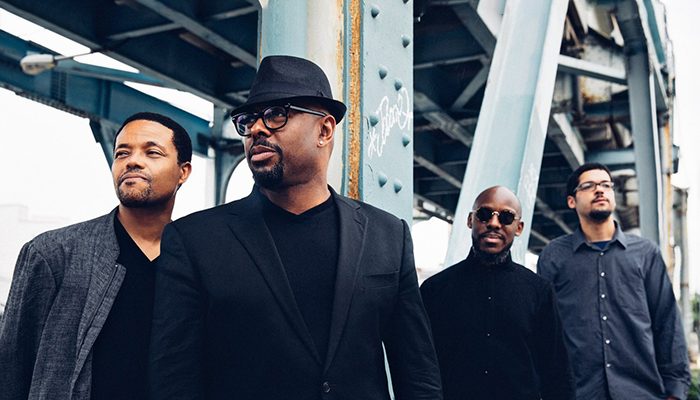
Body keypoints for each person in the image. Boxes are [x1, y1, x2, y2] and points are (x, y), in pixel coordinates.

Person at [148, 55, 442, 400]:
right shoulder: (194, 240)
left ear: (325, 130)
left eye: (276, 114)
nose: (257, 129)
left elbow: (418, 375)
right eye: (248, 120)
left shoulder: (388, 236)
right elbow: (173, 380)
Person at [0, 112, 193, 400]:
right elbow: (10, 370)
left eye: (152, 152)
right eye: (122, 153)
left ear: (183, 172)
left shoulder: (198, 261)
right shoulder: (53, 253)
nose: (132, 161)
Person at [538, 163, 691, 400]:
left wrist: (675, 391)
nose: (599, 190)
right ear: (571, 201)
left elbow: (666, 322)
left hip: (641, 393)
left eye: (605, 185)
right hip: (578, 394)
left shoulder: (645, 253)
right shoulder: (554, 255)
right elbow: (544, 330)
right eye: (588, 186)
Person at [421, 186, 574, 400]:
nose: (494, 223)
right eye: (484, 214)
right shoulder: (434, 290)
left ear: (519, 228)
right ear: (470, 220)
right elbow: (421, 367)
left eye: (506, 217)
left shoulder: (539, 291)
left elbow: (556, 371)